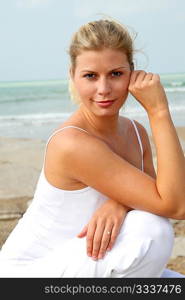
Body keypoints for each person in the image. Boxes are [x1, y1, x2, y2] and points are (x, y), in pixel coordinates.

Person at [0, 19, 185, 278]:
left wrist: (120, 204)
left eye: (116, 74)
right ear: (72, 76)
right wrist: (159, 111)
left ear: (132, 73)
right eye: (90, 76)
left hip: (82, 261)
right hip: (27, 275)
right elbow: (176, 206)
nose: (103, 89)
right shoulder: (72, 143)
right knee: (153, 229)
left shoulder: (136, 133)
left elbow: (164, 195)